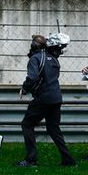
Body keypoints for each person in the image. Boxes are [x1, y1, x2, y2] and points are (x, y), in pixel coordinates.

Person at [17, 34, 76, 167]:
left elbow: (32, 78)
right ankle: (68, 160)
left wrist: (25, 89)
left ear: (34, 45)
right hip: (56, 97)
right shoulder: (54, 59)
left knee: (27, 124)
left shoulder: (35, 58)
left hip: (43, 98)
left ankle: (31, 159)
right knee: (54, 129)